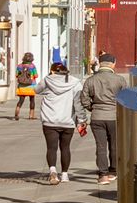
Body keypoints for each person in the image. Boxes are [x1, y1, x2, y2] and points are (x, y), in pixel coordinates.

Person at [81, 53, 127, 183]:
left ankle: (103, 174)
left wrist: (92, 107)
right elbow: (126, 98)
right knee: (114, 145)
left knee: (100, 146)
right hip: (114, 116)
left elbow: (84, 99)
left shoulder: (91, 80)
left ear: (99, 64)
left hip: (97, 116)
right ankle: (113, 171)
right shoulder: (120, 80)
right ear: (113, 64)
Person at [36, 61, 84, 184]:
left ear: (52, 71)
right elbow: (78, 103)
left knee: (51, 148)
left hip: (50, 120)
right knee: (65, 148)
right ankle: (65, 175)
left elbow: (36, 90)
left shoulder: (47, 80)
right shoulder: (75, 82)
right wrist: (82, 119)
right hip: (68, 120)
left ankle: (52, 171)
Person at [11, 52, 38, 122]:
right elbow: (36, 75)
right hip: (31, 86)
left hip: (22, 86)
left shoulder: (19, 66)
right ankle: (31, 115)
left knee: (21, 100)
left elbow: (17, 75)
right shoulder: (32, 66)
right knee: (32, 100)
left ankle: (17, 112)